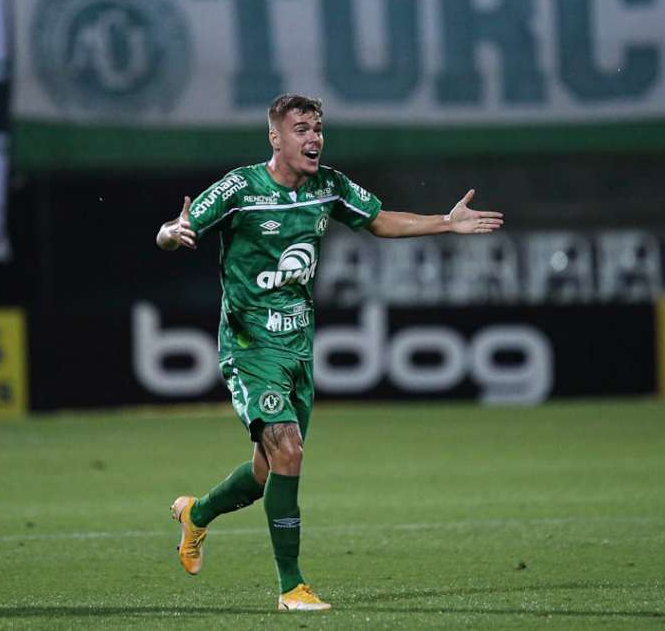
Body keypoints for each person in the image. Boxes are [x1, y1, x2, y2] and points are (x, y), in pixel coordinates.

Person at [155, 93, 503, 611]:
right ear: (276, 138)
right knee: (289, 451)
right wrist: (169, 233)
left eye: (317, 128)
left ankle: (196, 513)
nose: (313, 138)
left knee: (266, 472)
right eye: (301, 129)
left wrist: (445, 222)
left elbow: (381, 219)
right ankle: (291, 587)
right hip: (250, 347)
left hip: (298, 349)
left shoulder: (329, 186)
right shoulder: (240, 188)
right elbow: (174, 229)